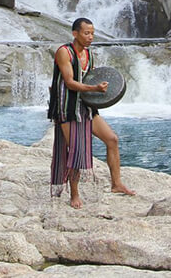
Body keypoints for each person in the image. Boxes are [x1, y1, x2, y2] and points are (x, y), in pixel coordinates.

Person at [48, 17, 135, 209]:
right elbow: (70, 82)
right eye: (86, 33)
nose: (90, 37)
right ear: (75, 33)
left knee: (112, 139)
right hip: (67, 108)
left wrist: (100, 90)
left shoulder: (89, 54)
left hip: (86, 106)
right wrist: (95, 89)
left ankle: (116, 184)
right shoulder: (64, 52)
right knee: (76, 150)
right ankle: (74, 194)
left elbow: (94, 75)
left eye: (92, 33)